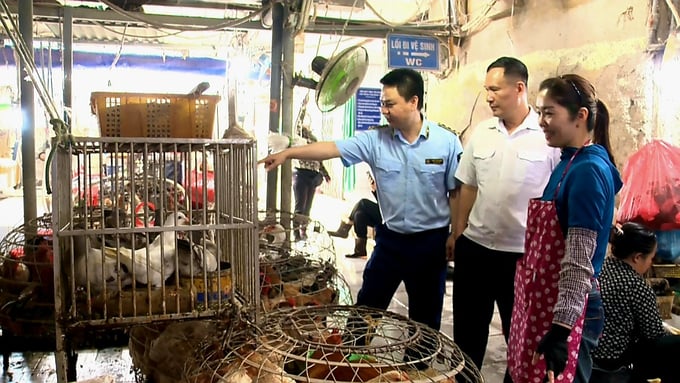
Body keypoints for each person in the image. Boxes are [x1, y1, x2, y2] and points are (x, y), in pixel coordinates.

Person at [260, 68, 463, 333]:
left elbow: (456, 191)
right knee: (366, 311)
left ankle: (418, 370)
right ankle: (353, 362)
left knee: (426, 319)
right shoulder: (375, 140)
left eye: (390, 104)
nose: (384, 110)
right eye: (382, 104)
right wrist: (288, 153)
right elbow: (332, 148)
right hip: (390, 241)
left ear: (414, 102)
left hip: (430, 243)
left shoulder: (446, 143)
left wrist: (456, 234)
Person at [507, 73, 622, 383]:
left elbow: (578, 261)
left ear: (580, 116)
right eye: (539, 111)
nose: (541, 121)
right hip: (545, 302)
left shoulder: (587, 171)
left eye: (549, 113)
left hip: (567, 309)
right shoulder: (568, 161)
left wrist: (561, 330)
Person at [452, 56, 559, 382]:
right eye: (487, 89)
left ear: (519, 88)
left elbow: (556, 197)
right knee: (467, 337)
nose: (489, 97)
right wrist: (458, 232)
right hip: (477, 250)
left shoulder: (547, 138)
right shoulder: (481, 133)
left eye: (495, 89)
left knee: (521, 339)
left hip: (523, 258)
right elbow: (467, 185)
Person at [591, 222, 680, 383]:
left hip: (588, 352)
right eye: (651, 258)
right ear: (637, 257)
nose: (651, 264)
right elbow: (653, 334)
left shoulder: (600, 268)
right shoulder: (636, 286)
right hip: (614, 362)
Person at [328, 171, 382, 258]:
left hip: (390, 215)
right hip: (383, 212)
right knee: (359, 215)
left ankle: (344, 230)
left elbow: (387, 205)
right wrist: (375, 190)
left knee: (363, 202)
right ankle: (360, 251)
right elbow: (382, 202)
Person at [292, 125, 331, 240]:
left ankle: (303, 231)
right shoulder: (299, 139)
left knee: (307, 207)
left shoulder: (314, 140)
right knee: (300, 206)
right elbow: (298, 123)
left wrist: (325, 173)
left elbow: (319, 158)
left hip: (313, 175)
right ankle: (295, 233)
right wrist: (303, 107)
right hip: (301, 173)